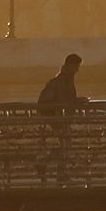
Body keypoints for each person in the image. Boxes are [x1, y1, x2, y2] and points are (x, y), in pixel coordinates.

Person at [37, 53, 86, 183]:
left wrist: (76, 101)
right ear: (71, 65)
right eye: (77, 66)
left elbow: (65, 98)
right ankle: (56, 171)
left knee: (65, 145)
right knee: (65, 145)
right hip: (58, 119)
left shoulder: (64, 79)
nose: (78, 69)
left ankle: (53, 168)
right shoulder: (62, 81)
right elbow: (54, 100)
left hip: (60, 118)